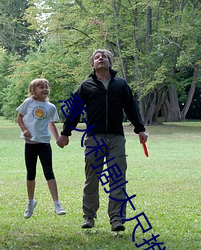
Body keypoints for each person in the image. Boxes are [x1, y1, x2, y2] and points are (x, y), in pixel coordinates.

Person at [57, 49, 148, 231]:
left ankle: (117, 219)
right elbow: (74, 111)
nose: (101, 59)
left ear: (109, 63)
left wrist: (140, 130)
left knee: (117, 179)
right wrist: (65, 133)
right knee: (92, 179)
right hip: (94, 139)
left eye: (104, 57)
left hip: (116, 138)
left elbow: (132, 109)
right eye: (97, 58)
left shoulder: (121, 85)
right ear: (93, 64)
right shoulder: (86, 86)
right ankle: (89, 216)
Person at [16, 78, 66, 219]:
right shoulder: (28, 103)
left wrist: (57, 138)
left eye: (46, 87)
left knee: (49, 172)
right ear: (33, 91)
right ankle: (30, 202)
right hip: (30, 144)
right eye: (41, 87)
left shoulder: (51, 107)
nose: (45, 89)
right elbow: (19, 116)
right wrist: (24, 130)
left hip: (44, 144)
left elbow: (51, 124)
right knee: (30, 174)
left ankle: (57, 204)